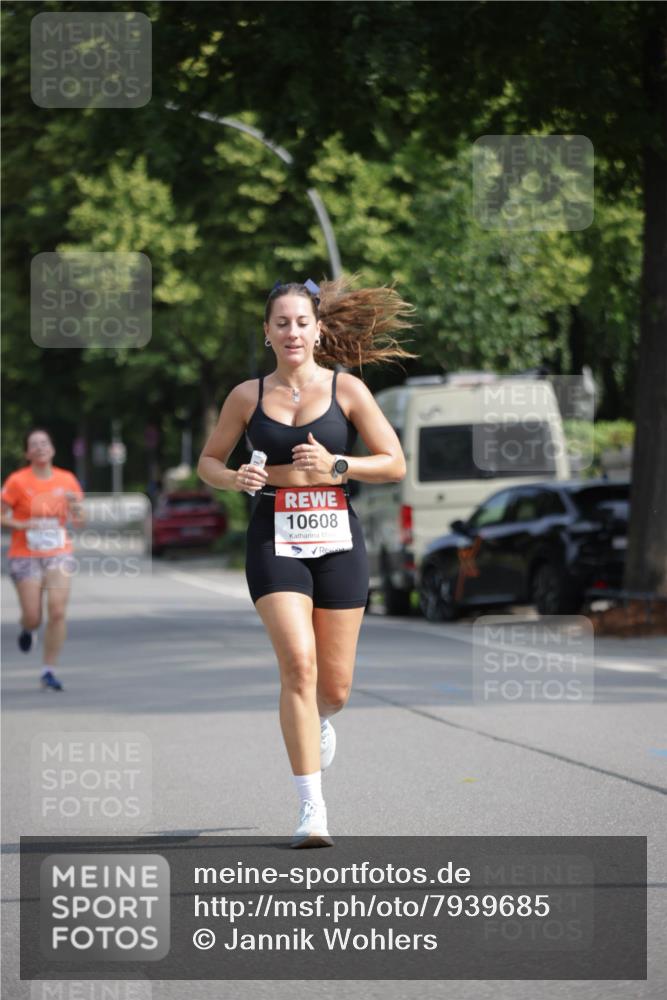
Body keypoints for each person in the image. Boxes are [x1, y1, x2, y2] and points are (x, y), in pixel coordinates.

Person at [198, 276, 416, 847]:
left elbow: (394, 462)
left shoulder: (348, 390)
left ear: (318, 331)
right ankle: (311, 808)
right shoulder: (246, 396)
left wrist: (338, 464)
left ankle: (317, 720)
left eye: (301, 322)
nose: (292, 332)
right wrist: (234, 478)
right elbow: (208, 463)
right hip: (274, 537)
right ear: (266, 332)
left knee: (333, 688)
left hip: (337, 536)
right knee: (298, 664)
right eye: (281, 323)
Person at [1, 428, 85, 691]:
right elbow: (1, 516)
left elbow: (80, 521)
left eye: (44, 443)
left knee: (57, 611)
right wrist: (23, 524)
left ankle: (48, 670)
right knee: (33, 616)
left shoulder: (67, 479)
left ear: (53, 449)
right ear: (27, 453)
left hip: (58, 552)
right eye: (34, 444)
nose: (40, 447)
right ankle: (28, 628)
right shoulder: (17, 481)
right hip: (24, 554)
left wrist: (75, 506)